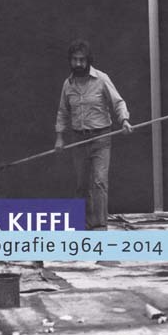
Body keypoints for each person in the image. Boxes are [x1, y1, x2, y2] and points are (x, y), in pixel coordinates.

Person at [55, 39, 132, 230]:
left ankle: (99, 226)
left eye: (82, 59)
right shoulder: (68, 84)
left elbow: (118, 102)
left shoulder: (101, 79)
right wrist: (60, 137)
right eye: (75, 59)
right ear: (70, 60)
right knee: (82, 184)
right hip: (78, 139)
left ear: (88, 60)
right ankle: (84, 224)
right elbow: (63, 112)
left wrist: (124, 120)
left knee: (99, 182)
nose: (78, 63)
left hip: (101, 138)